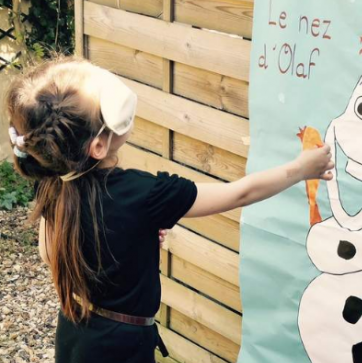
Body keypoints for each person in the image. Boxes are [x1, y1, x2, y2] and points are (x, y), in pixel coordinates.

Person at [4, 55, 334, 363]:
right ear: (99, 146)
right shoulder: (144, 194)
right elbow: (240, 194)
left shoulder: (52, 175)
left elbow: (50, 254)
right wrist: (304, 169)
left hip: (74, 326)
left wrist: (128, 243)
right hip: (122, 345)